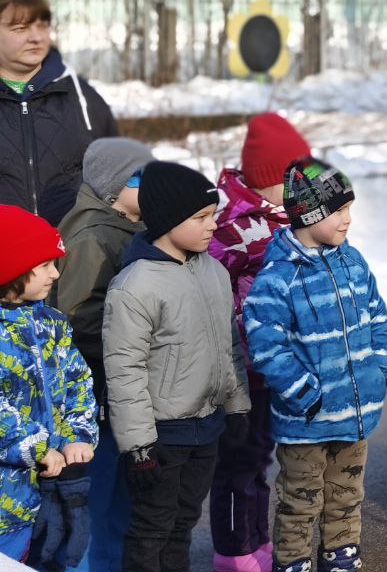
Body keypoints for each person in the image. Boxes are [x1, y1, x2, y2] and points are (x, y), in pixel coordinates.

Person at [244, 158, 387, 572]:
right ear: (310, 215)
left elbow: (377, 316)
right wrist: (303, 394)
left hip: (355, 413)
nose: (348, 219)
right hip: (305, 421)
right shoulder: (278, 278)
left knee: (347, 494)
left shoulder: (354, 262)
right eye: (339, 210)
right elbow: (265, 345)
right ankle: (292, 562)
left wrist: (379, 367)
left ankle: (340, 557)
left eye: (349, 208)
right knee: (301, 499)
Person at [103, 162, 251, 572]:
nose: (212, 225)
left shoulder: (214, 271)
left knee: (184, 522)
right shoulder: (136, 286)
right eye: (201, 218)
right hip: (162, 436)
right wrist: (138, 447)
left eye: (214, 215)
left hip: (207, 424)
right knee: (153, 528)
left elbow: (229, 344)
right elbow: (124, 370)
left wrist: (237, 405)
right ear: (168, 220)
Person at [208, 114, 311, 572]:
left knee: (261, 457)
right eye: (288, 180)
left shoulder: (288, 219)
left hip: (274, 365)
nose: (297, 188)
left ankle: (257, 539)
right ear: (266, 181)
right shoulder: (232, 226)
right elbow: (210, 287)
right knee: (236, 464)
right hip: (239, 369)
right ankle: (232, 550)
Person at [54, 137, 154, 572]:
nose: (150, 188)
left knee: (121, 501)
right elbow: (78, 319)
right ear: (115, 188)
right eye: (141, 179)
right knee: (97, 500)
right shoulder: (93, 238)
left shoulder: (127, 228)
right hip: (100, 395)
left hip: (121, 391)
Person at [0, 205, 98, 566]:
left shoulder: (52, 322)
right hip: (6, 508)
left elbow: (78, 381)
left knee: (66, 556)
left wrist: (79, 434)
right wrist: (37, 447)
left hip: (57, 488)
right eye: (44, 265)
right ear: (9, 269)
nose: (55, 274)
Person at [0, 0, 118, 226]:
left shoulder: (81, 96)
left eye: (42, 26)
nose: (36, 37)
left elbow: (116, 176)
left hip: (71, 251)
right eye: (20, 28)